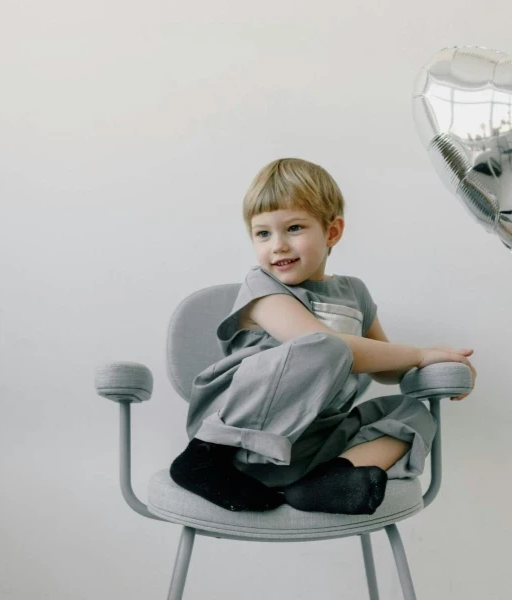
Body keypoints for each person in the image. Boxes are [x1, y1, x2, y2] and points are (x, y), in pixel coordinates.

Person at [170, 157, 477, 515]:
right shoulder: (262, 288)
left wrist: (440, 362)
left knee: (412, 412)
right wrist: (419, 353)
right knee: (327, 347)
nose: (278, 246)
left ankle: (329, 480)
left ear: (331, 232)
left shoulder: (355, 294)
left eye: (294, 228)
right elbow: (332, 346)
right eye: (263, 233)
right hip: (238, 436)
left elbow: (385, 367)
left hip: (308, 443)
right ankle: (203, 458)